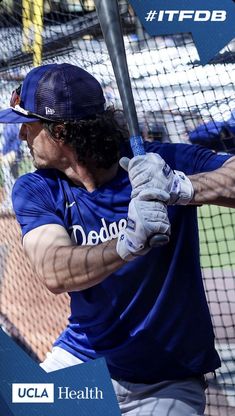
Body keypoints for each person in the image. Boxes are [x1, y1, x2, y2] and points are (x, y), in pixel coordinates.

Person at [0, 63, 235, 416]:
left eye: (28, 126)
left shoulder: (159, 163)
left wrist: (181, 187)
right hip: (83, 364)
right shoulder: (37, 187)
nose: (21, 137)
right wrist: (126, 244)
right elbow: (54, 271)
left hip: (165, 383)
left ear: (60, 132)